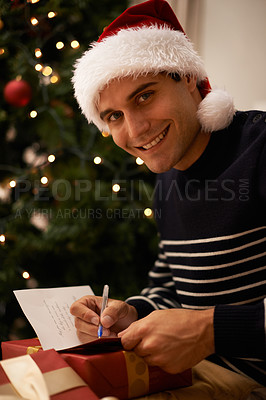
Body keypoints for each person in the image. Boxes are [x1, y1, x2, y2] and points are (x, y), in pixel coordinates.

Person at [70, 0, 266, 395]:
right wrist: (132, 312)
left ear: (190, 79)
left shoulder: (259, 147)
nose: (136, 130)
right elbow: (175, 285)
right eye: (114, 116)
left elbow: (205, 322)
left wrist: (211, 330)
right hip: (198, 373)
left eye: (144, 96)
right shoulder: (167, 180)